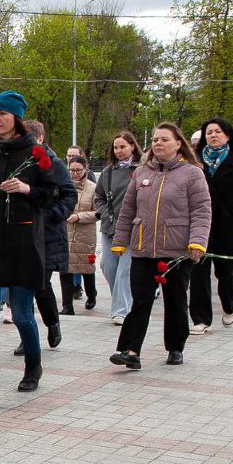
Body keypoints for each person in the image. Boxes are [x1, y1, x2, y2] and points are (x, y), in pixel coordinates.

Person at [0, 91, 59, 410]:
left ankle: (33, 364)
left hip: (23, 244)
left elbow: (51, 196)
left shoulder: (36, 153)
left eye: (3, 114)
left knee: (21, 313)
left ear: (17, 118)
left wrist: (26, 188)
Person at [109, 123, 211, 370]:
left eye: (164, 139)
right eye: (155, 140)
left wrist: (198, 241)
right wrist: (120, 241)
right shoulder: (142, 172)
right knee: (140, 299)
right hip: (143, 248)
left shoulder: (192, 173)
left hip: (176, 251)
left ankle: (175, 347)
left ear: (178, 143)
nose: (158, 144)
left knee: (175, 300)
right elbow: (127, 210)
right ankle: (130, 351)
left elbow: (201, 211)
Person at [189, 118, 233, 334]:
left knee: (225, 272)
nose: (213, 135)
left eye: (217, 132)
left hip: (227, 226)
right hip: (200, 224)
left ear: (227, 135)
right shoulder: (196, 162)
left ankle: (229, 305)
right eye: (208, 132)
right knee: (198, 272)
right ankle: (201, 319)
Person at [20, 119, 75, 353]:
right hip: (22, 233)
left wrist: (51, 215)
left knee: (40, 285)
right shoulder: (21, 163)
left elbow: (69, 196)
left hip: (47, 235)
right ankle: (27, 334)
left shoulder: (54, 163)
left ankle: (52, 322)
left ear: (40, 139)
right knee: (21, 286)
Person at [96, 132, 141, 325]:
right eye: (116, 147)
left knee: (125, 269)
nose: (119, 151)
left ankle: (121, 310)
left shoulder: (142, 169)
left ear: (132, 146)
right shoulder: (108, 172)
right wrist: (105, 213)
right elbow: (98, 197)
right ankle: (123, 302)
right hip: (110, 226)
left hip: (132, 227)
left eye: (123, 147)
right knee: (108, 265)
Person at [63, 156, 98, 313]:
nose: (75, 174)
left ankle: (92, 295)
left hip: (85, 234)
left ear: (86, 169)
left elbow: (98, 212)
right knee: (65, 269)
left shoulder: (93, 188)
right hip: (66, 232)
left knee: (86, 268)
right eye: (72, 170)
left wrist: (79, 216)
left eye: (78, 170)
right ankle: (67, 306)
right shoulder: (63, 185)